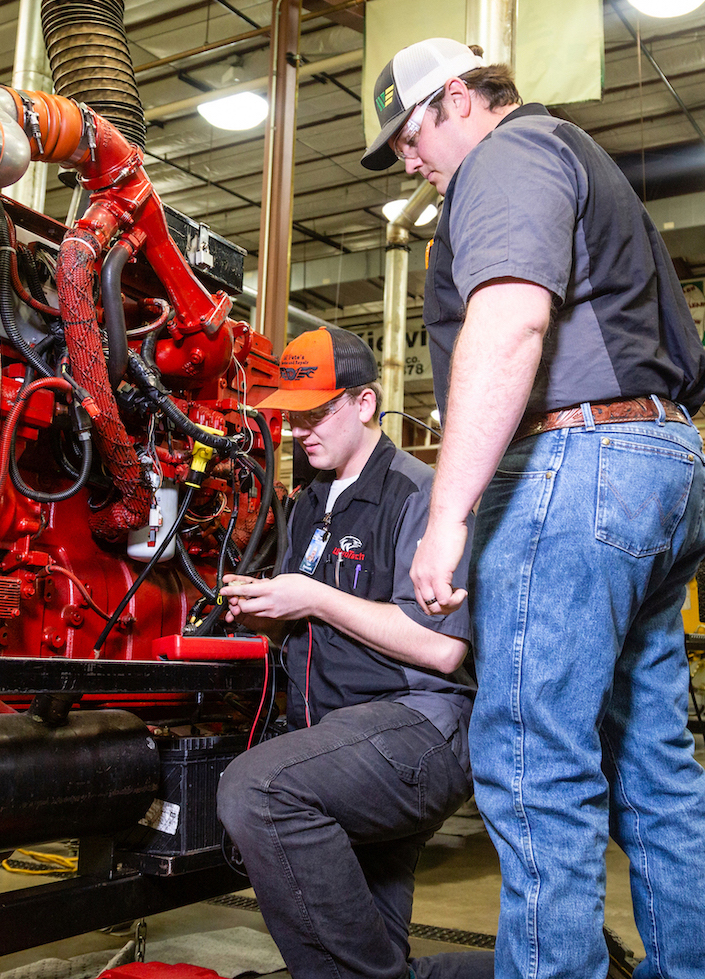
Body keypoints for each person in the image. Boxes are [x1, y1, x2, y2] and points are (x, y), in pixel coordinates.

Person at [359, 38, 705, 979]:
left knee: (534, 766)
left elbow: (512, 319)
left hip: (577, 464)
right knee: (651, 766)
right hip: (658, 464)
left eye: (409, 135)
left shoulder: (509, 155)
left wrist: (446, 512)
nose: (408, 160)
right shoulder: (577, 156)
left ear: (458, 99)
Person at [216, 325, 487, 979]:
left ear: (364, 404)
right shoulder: (309, 503)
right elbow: (312, 620)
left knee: (257, 789)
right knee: (373, 953)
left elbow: (443, 649)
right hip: (339, 736)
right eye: (293, 418)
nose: (301, 431)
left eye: (317, 413)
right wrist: (265, 607)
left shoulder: (416, 492)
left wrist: (309, 596)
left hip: (417, 729)